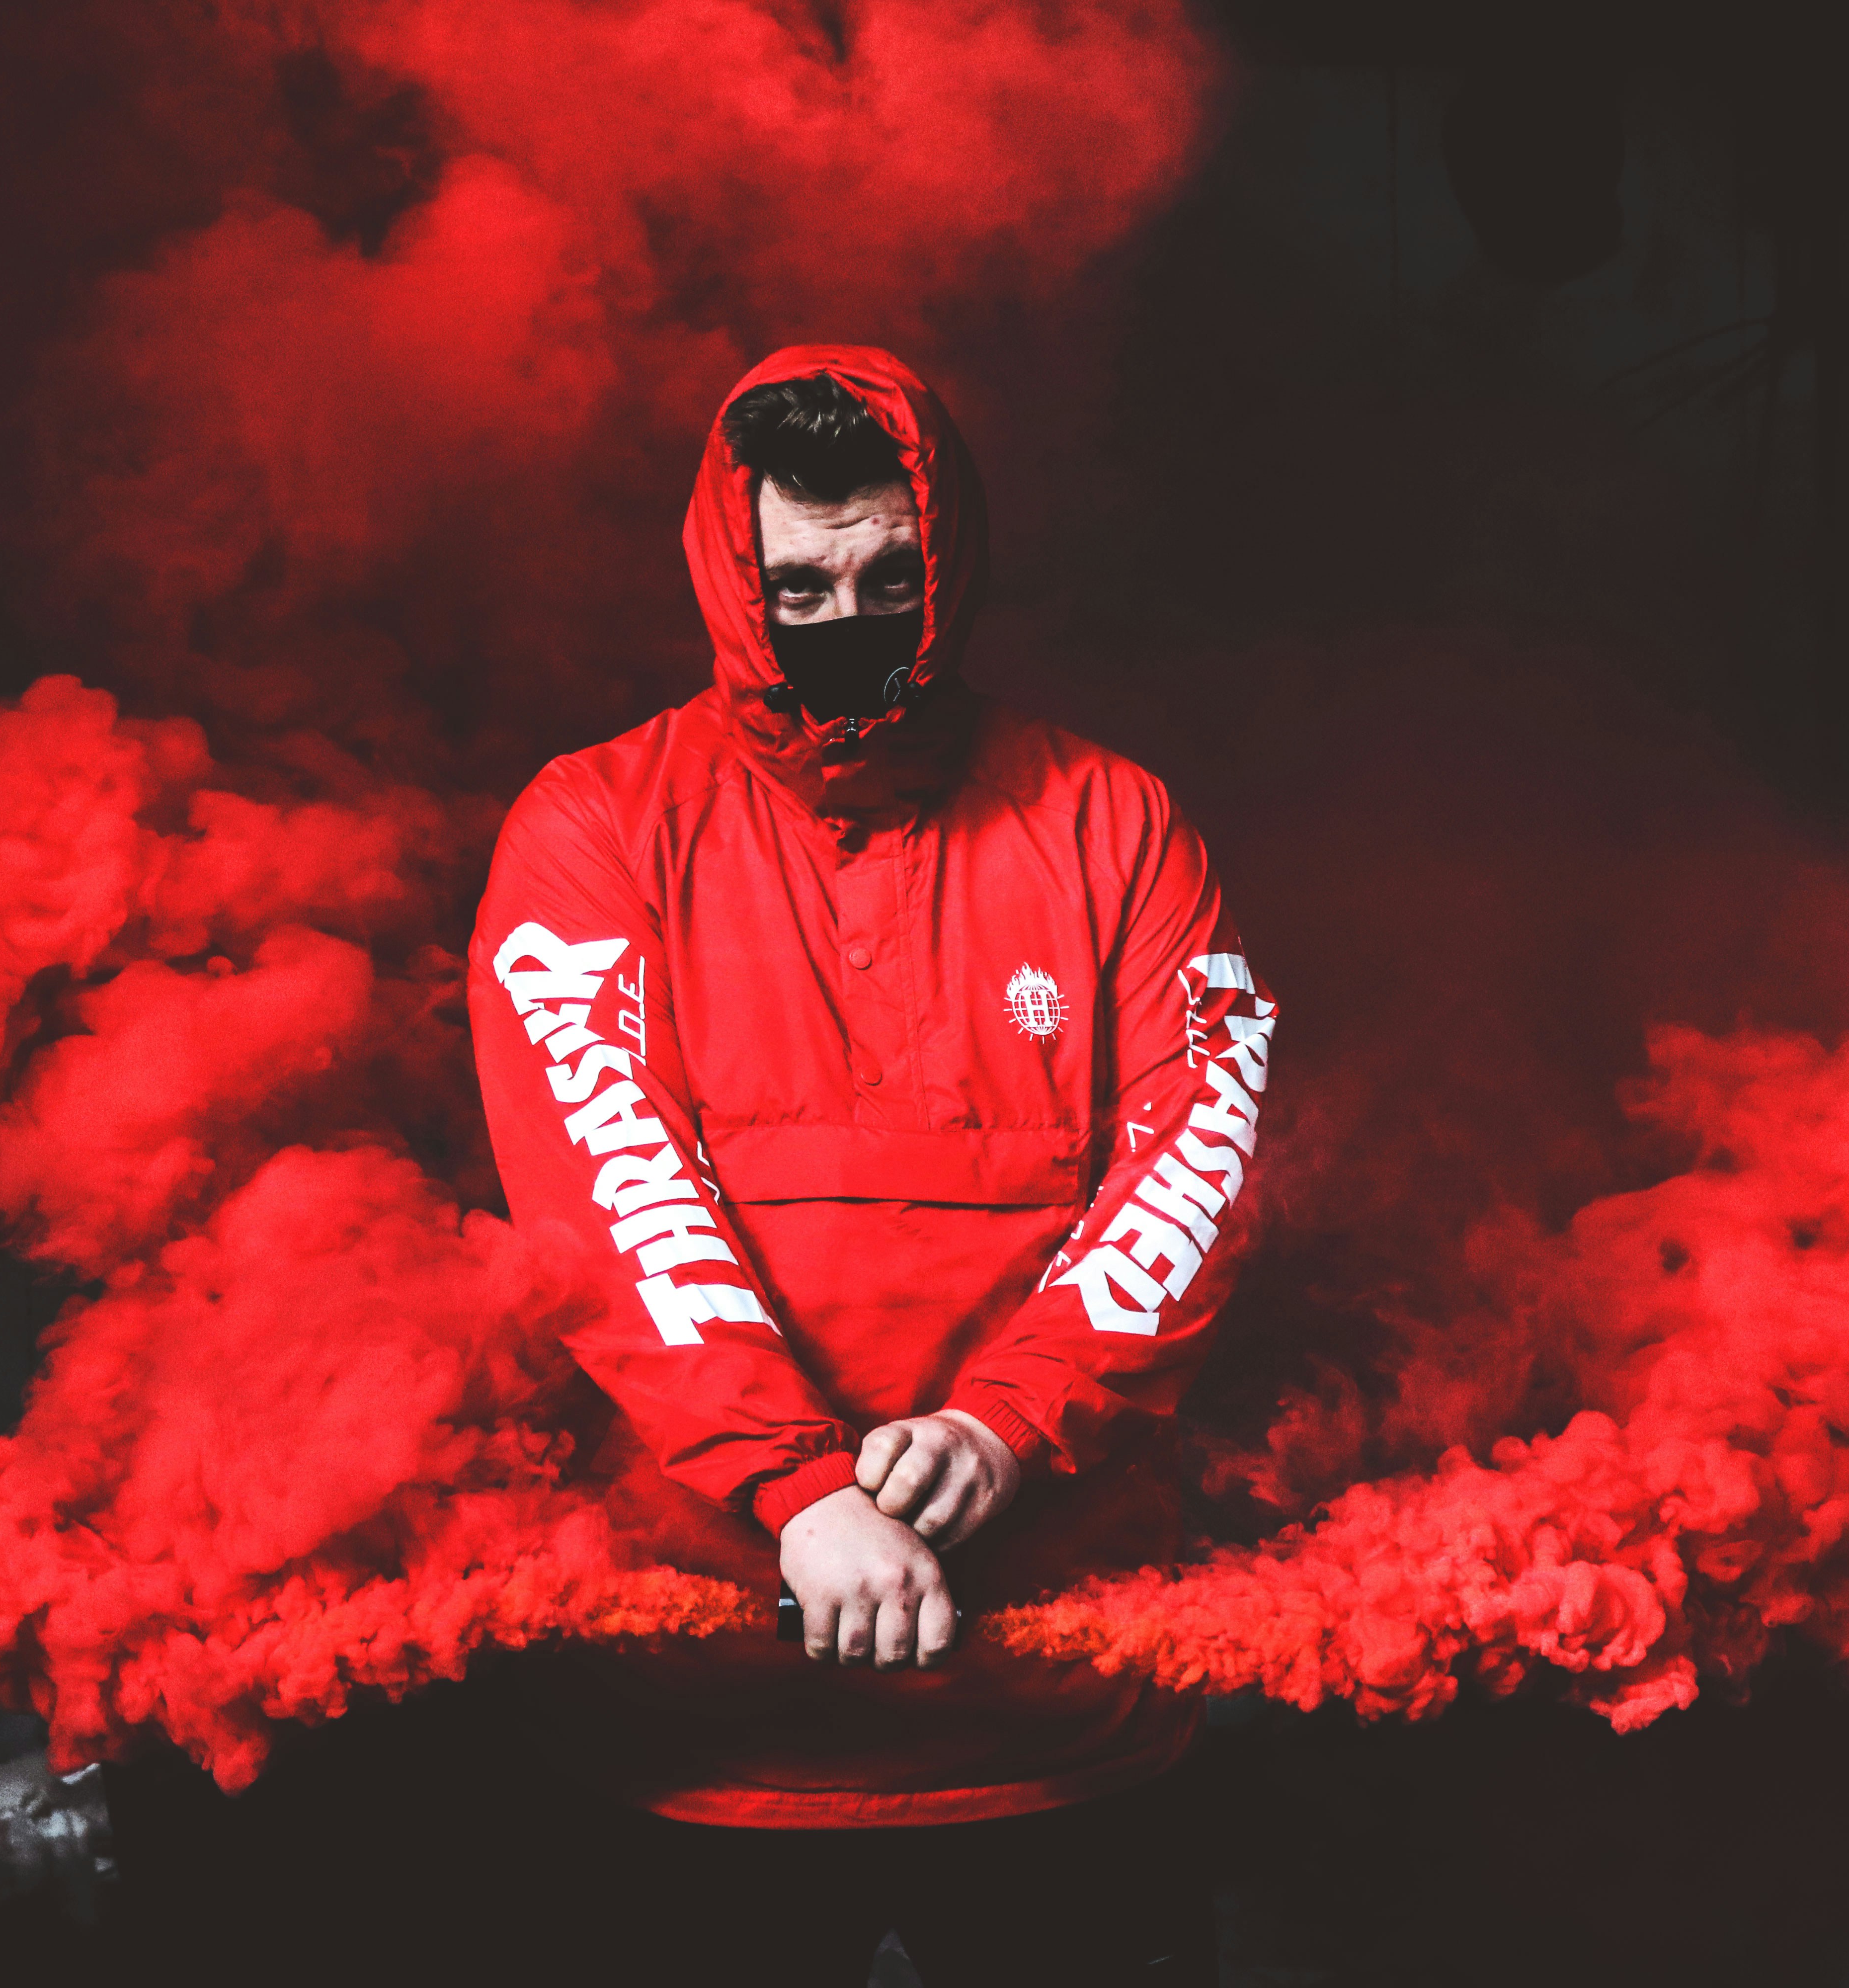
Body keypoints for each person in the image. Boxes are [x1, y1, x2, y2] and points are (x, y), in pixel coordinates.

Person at [467, 346, 1276, 1987]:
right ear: (737, 578)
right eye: (804, 586)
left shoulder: (1115, 821)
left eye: (892, 579)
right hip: (700, 1723)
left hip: (1063, 1712)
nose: (851, 616)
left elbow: (1203, 1159)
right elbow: (608, 1189)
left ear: (950, 562)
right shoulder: (596, 822)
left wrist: (1004, 1425)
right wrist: (800, 1490)